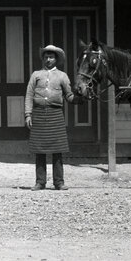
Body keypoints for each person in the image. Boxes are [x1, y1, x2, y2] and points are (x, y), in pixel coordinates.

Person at [24, 44, 78, 190]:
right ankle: (40, 182)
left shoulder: (62, 76)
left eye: (51, 57)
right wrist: (28, 114)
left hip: (55, 115)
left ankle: (59, 182)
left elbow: (69, 95)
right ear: (43, 59)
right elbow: (29, 95)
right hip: (39, 114)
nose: (48, 60)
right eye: (46, 57)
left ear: (56, 59)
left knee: (57, 150)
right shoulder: (36, 75)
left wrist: (79, 98)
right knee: (39, 150)